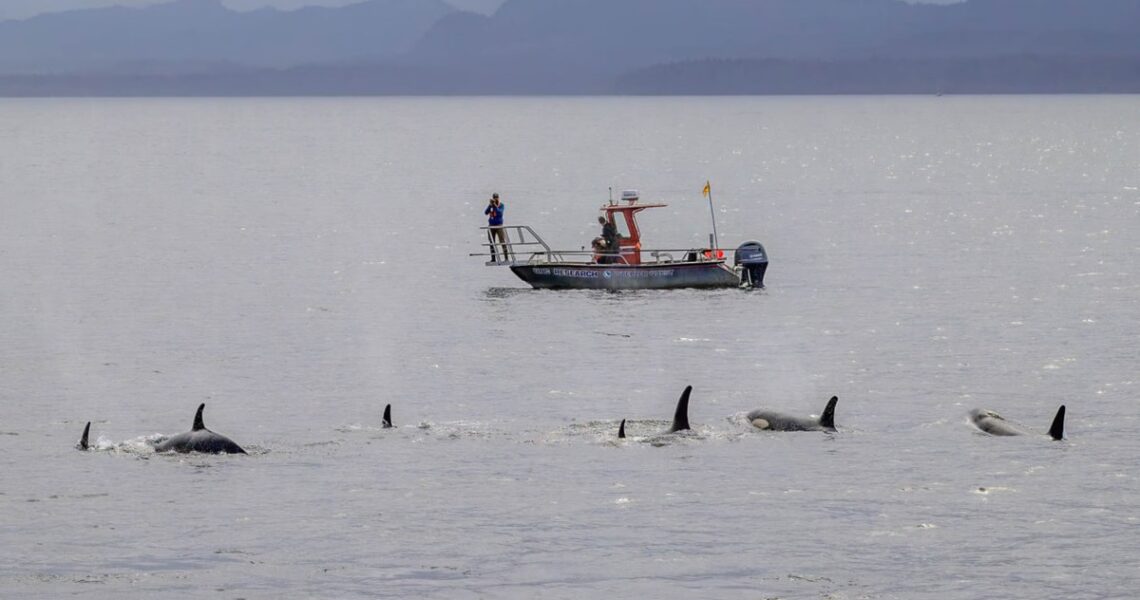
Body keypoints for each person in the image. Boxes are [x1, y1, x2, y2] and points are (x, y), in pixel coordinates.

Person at [484, 193, 509, 261]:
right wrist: (490, 205)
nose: (495, 199)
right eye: (494, 198)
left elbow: (500, 213)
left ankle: (506, 258)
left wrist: (495, 206)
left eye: (496, 198)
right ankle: (493, 258)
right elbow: (486, 212)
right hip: (491, 226)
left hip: (499, 225)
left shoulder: (501, 205)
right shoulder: (491, 206)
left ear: (498, 198)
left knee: (502, 241)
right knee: (491, 242)